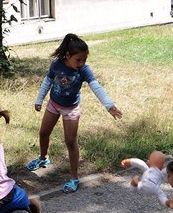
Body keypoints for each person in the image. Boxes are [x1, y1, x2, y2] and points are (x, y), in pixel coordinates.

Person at [27, 33, 123, 194]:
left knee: (70, 141)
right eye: (78, 60)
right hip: (53, 104)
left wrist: (109, 105)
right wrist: (39, 99)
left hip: (70, 109)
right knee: (43, 133)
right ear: (68, 55)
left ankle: (74, 177)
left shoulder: (84, 70)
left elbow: (96, 86)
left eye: (84, 60)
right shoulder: (56, 64)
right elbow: (47, 81)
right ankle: (43, 158)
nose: (81, 63)